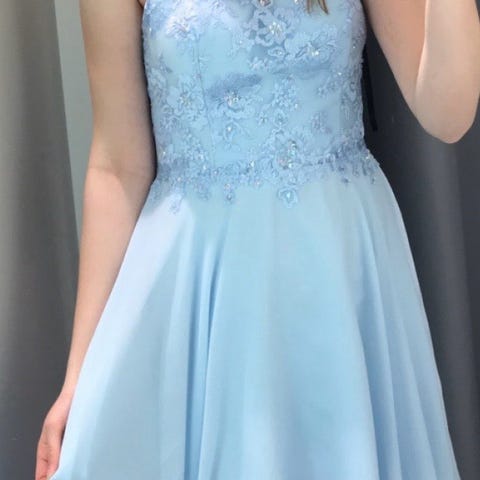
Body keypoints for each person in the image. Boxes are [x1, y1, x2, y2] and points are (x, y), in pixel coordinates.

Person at [36, 0, 479, 478]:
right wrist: (79, 376)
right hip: (201, 292)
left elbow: (447, 113)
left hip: (339, 275)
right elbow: (118, 167)